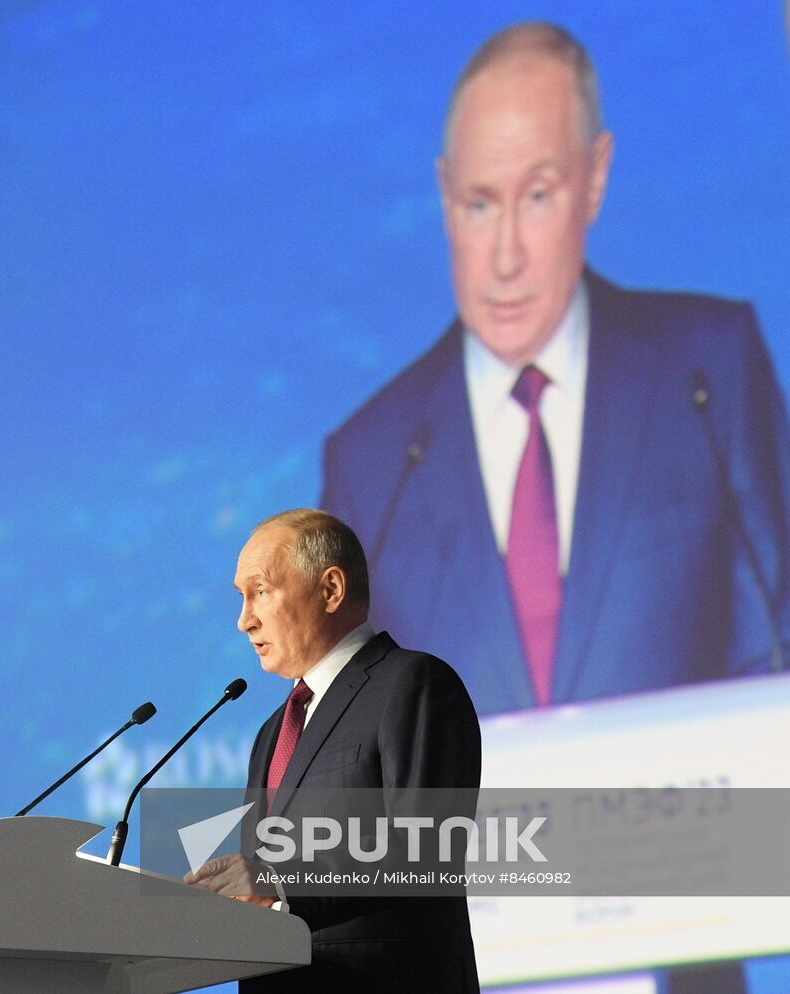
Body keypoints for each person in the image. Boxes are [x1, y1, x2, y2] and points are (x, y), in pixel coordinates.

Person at [322, 22, 790, 716]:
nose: (505, 257)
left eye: (537, 195)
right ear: (444, 196)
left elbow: (776, 654)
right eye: (480, 204)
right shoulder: (370, 465)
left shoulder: (708, 374)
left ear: (595, 178)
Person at [188, 508, 482, 993]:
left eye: (259, 591)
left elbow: (428, 846)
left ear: (330, 590)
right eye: (241, 598)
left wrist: (278, 879)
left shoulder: (412, 684)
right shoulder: (272, 732)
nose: (244, 620)